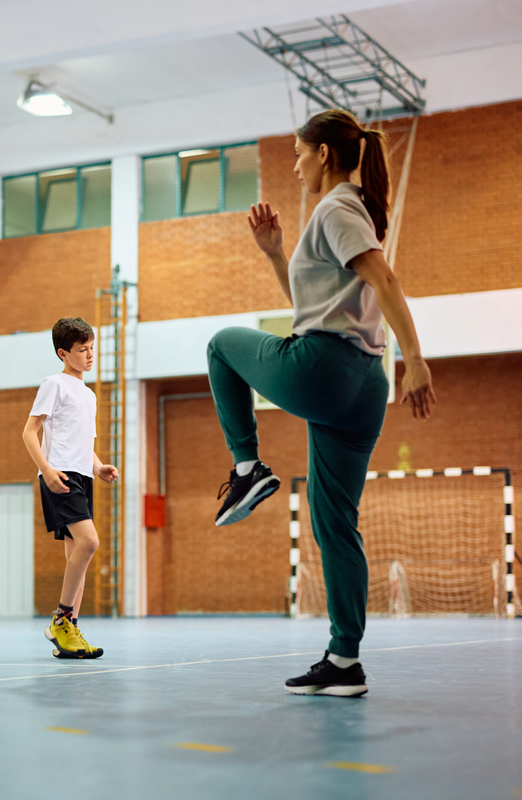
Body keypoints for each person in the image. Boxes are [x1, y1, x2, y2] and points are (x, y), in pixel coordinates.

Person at [207, 109, 437, 697]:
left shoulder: (335, 207)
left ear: (325, 155)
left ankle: (246, 467)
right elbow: (312, 307)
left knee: (221, 345)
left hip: (327, 369)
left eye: (298, 152)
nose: (295, 163)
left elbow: (385, 279)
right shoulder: (346, 213)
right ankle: (344, 661)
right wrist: (274, 252)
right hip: (363, 388)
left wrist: (418, 358)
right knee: (335, 524)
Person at [22, 318, 118, 659]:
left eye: (92, 348)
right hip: (59, 474)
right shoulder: (55, 384)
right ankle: (61, 619)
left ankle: (68, 636)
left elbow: (80, 440)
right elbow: (29, 432)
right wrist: (46, 470)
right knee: (90, 542)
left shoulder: (88, 395)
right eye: (82, 350)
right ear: (64, 353)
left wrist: (98, 465)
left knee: (75, 556)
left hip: (82, 475)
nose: (90, 355)